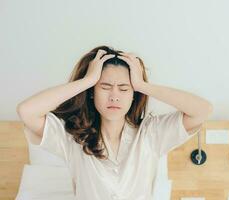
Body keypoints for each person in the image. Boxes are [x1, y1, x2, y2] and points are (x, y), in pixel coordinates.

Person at [16, 45, 213, 200]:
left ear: (134, 94)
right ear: (92, 92)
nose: (114, 96)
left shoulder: (152, 133)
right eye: (105, 87)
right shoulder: (73, 138)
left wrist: (143, 85)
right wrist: (87, 81)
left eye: (124, 88)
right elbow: (27, 111)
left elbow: (202, 110)